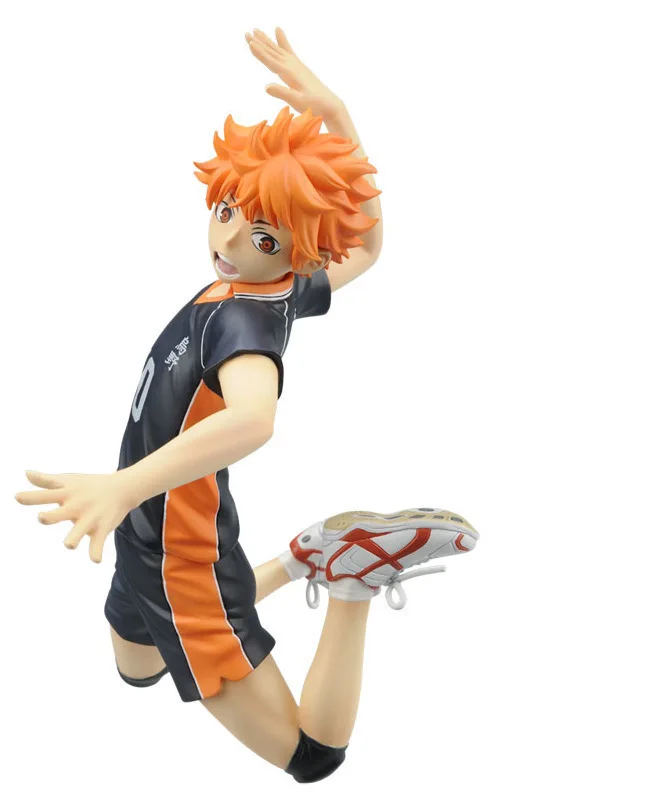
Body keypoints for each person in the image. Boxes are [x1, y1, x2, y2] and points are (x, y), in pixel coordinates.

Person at [14, 27, 478, 783]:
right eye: (228, 208)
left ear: (298, 249)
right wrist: (338, 116)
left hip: (176, 557)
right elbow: (366, 249)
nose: (229, 240)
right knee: (136, 669)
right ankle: (296, 562)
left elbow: (254, 419)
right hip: (144, 540)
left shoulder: (246, 327)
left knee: (313, 756)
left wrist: (124, 485)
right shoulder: (273, 287)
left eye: (262, 235)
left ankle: (352, 585)